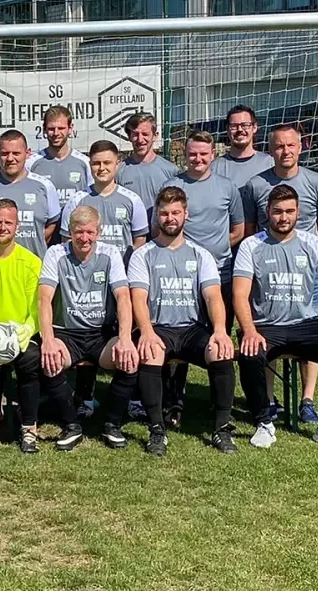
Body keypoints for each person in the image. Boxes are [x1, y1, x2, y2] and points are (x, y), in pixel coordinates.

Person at [233, 185, 318, 449]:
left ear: (298, 212)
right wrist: (249, 330)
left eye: (289, 211)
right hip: (266, 326)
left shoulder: (312, 243)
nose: (284, 217)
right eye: (278, 211)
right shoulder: (251, 245)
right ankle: (264, 423)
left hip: (305, 325)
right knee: (249, 354)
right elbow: (239, 294)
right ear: (268, 211)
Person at [119, 187, 238, 456]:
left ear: (186, 214)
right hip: (158, 328)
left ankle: (222, 429)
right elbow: (138, 298)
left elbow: (213, 296)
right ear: (157, 217)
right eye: (164, 213)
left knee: (220, 350)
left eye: (175, 213)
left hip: (192, 329)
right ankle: (157, 430)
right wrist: (146, 332)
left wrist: (220, 330)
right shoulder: (143, 254)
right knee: (150, 352)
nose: (170, 218)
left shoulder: (201, 254)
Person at [0, 198, 82, 453]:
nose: (2, 227)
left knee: (31, 361)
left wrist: (27, 330)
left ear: (17, 226)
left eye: (8, 222)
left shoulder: (31, 262)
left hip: (20, 336)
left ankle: (29, 429)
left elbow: (38, 307)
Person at [243, 124, 318, 424]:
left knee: (309, 333)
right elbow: (250, 229)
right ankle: (270, 400)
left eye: (291, 145)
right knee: (265, 335)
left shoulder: (317, 182)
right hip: (267, 275)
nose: (285, 151)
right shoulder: (256, 185)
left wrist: (304, 256)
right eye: (279, 146)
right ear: (270, 150)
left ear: (301, 147)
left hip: (306, 276)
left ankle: (307, 400)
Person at [157, 131, 244, 425]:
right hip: (180, 276)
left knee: (218, 337)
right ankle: (174, 401)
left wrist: (210, 254)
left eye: (203, 154)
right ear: (184, 155)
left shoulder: (227, 187)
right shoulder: (173, 185)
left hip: (220, 273)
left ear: (213, 155)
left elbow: (238, 229)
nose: (198, 159)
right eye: (192, 153)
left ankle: (218, 403)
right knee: (179, 335)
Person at [38, 205, 137, 427]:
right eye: (79, 232)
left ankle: (112, 424)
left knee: (130, 359)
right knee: (50, 362)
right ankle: (71, 424)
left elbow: (123, 297)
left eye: (90, 232)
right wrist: (48, 340)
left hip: (101, 334)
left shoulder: (110, 253)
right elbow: (44, 299)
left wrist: (125, 339)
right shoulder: (55, 253)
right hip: (67, 333)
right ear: (70, 232)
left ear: (98, 232)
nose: (84, 238)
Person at [0, 129, 60, 259]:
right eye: (5, 153)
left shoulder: (45, 186)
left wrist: (34, 243)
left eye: (16, 153)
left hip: (33, 266)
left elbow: (51, 225)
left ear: (27, 153)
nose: (10, 158)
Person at [61, 139, 148, 252]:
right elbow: (67, 239)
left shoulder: (133, 200)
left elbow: (140, 240)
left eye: (107, 163)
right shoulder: (76, 200)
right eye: (96, 163)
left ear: (117, 164)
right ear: (90, 165)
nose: (102, 168)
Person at [23, 105, 91, 209]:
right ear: (44, 129)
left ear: (70, 128)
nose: (56, 133)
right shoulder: (31, 163)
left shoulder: (85, 163)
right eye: (51, 129)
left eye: (61, 128)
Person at [115, 113, 177, 217]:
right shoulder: (119, 171)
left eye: (145, 134)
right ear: (129, 137)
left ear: (155, 136)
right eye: (135, 134)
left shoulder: (170, 171)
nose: (140, 139)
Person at [210, 104, 274, 190]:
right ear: (227, 130)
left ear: (254, 127)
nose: (240, 129)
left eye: (245, 125)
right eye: (234, 126)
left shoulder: (269, 163)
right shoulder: (215, 167)